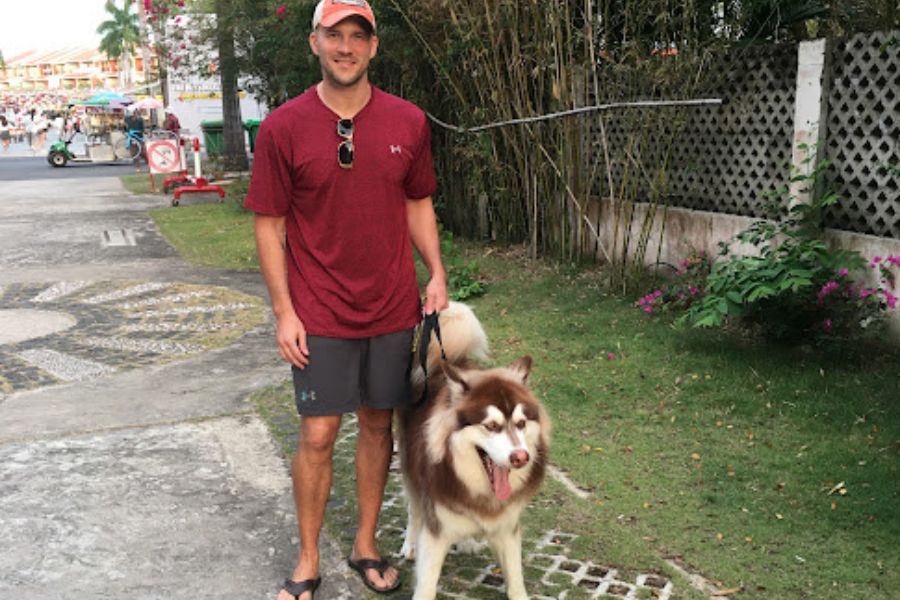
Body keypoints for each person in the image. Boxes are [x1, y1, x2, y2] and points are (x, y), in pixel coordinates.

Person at [244, 1, 448, 599]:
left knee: (378, 424)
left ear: (373, 47)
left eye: (359, 36)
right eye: (336, 35)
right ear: (315, 42)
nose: (347, 47)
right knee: (317, 434)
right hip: (319, 311)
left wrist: (435, 272)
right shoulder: (283, 126)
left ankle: (365, 543)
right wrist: (284, 311)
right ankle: (308, 558)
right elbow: (268, 224)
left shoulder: (408, 122)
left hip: (391, 305)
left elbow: (418, 204)